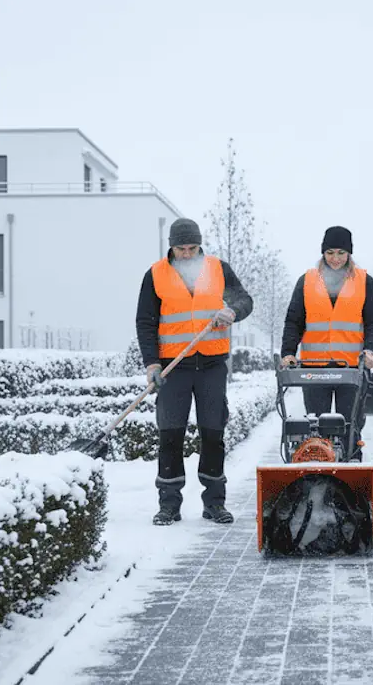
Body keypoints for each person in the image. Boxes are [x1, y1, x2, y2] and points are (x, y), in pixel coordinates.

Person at [136, 217, 253, 526]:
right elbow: (145, 322)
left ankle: (214, 502)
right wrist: (152, 363)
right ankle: (169, 504)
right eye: (180, 248)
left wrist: (232, 311)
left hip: (212, 364)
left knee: (213, 432)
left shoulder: (218, 268)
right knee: (170, 434)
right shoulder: (156, 275)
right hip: (174, 367)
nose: (187, 254)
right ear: (171, 247)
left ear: (200, 245)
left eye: (192, 247)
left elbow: (244, 299)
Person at [280, 226, 373, 459]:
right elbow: (293, 321)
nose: (335, 259)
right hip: (314, 369)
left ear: (349, 254)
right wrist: (288, 352)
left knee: (350, 428)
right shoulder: (306, 281)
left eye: (340, 253)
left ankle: (353, 477)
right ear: (322, 253)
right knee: (317, 429)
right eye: (329, 253)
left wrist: (370, 351)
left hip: (351, 369)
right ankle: (321, 481)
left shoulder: (364, 281)